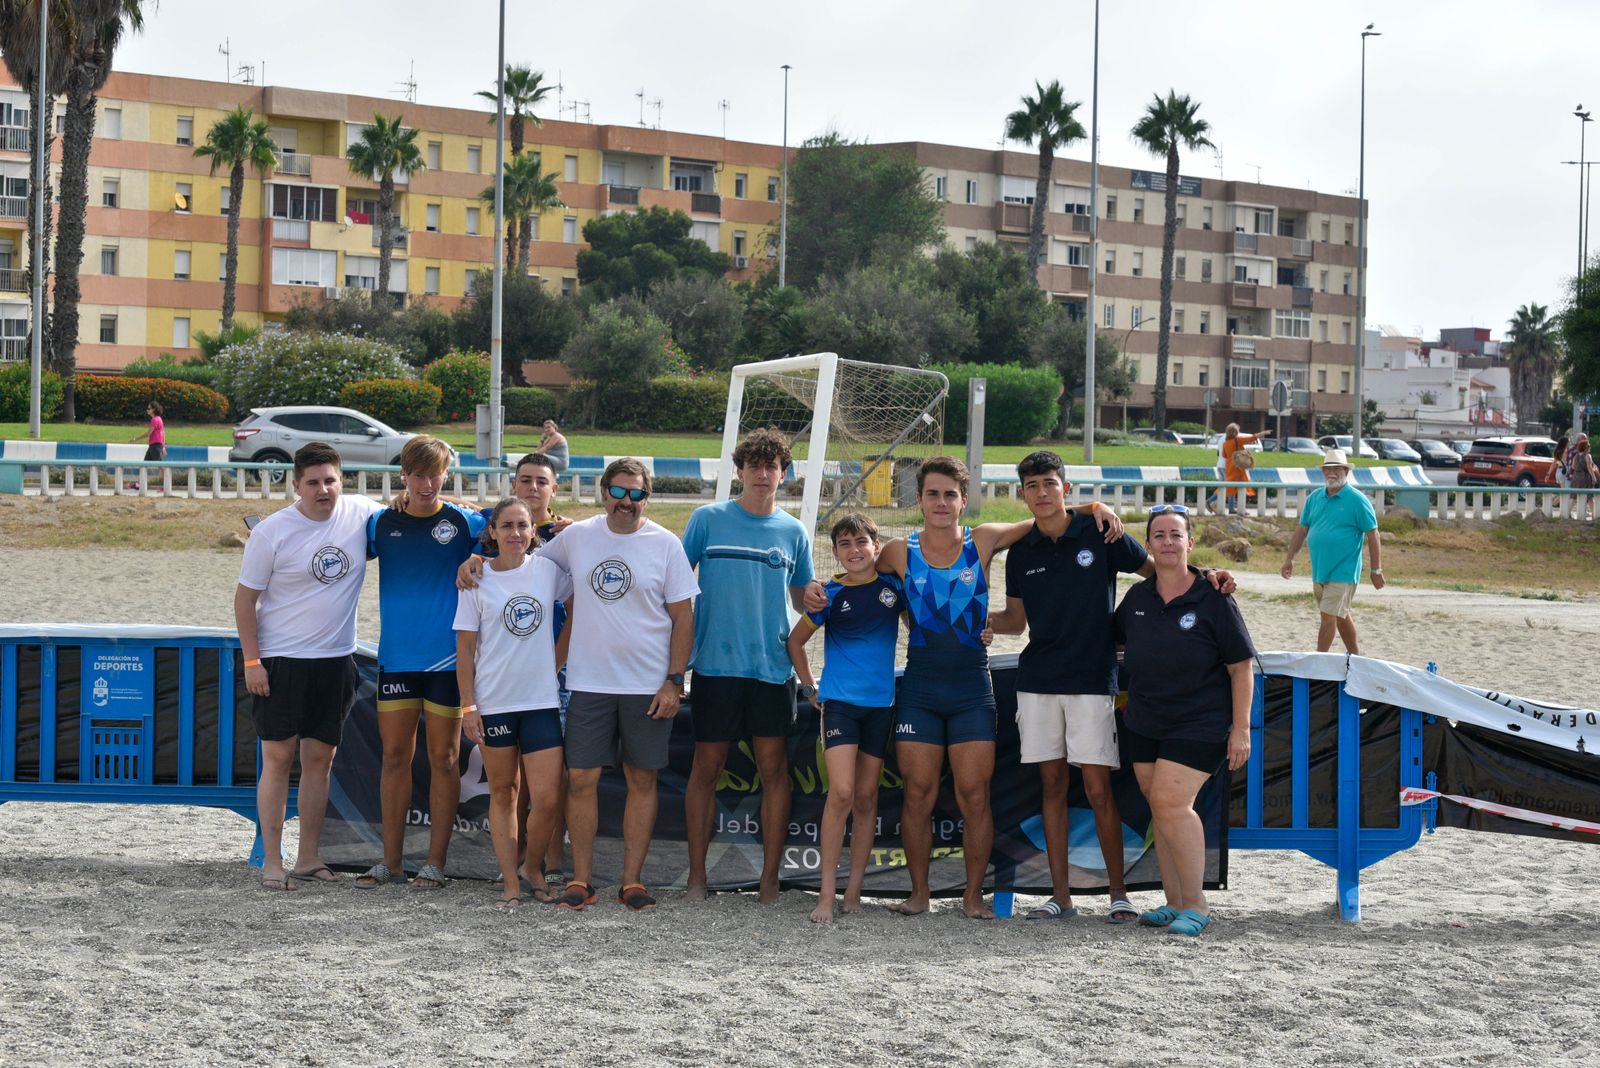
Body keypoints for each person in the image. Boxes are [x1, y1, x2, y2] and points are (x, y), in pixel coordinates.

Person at [806, 456, 1124, 919]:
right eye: (932, 494)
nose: (941, 502)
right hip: (920, 687)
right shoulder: (898, 550)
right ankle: (919, 894)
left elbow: (1044, 513)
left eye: (949, 494)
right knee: (918, 794)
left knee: (974, 795)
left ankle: (972, 896)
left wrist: (1093, 505)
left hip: (972, 687)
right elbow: (850, 575)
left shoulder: (985, 540)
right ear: (918, 500)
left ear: (963, 500)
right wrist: (813, 590)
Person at [987, 451, 1151, 923]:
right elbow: (1016, 622)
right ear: (1022, 493)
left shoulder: (1102, 533)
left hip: (1092, 680)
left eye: (1049, 483)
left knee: (1099, 790)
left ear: (1066, 488)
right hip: (1038, 681)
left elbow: (1158, 576)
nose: (1041, 492)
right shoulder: (1020, 553)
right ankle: (1061, 897)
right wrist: (980, 619)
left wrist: (1206, 582)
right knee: (1052, 789)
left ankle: (1119, 894)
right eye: (1032, 485)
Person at [530, 458, 698, 911]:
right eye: (618, 492)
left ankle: (632, 882)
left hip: (648, 684)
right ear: (603, 492)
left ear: (648, 496)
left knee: (641, 779)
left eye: (636, 493)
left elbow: (684, 618)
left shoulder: (665, 544)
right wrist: (476, 562)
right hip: (588, 682)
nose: (626, 502)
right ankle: (581, 880)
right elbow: (526, 570)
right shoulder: (578, 537)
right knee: (581, 778)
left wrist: (674, 681)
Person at [234, 441, 384, 891]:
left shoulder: (360, 512)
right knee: (278, 759)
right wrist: (253, 661)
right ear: (296, 485)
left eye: (331, 480)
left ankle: (309, 857)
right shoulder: (273, 531)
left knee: (320, 761)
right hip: (280, 661)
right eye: (314, 482)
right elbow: (245, 601)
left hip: (336, 660)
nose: (323, 490)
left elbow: (414, 507)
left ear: (342, 481)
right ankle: (273, 861)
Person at [681, 429, 814, 903]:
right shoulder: (707, 520)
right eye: (753, 465)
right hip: (715, 667)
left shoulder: (793, 531)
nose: (762, 474)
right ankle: (697, 877)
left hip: (771, 669)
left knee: (774, 772)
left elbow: (804, 599)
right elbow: (674, 586)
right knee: (706, 769)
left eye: (771, 466)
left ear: (784, 473)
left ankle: (770, 878)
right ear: (738, 472)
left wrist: (837, 597)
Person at [1114, 504, 1255, 936]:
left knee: (1173, 804)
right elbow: (1112, 642)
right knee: (1160, 807)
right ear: (1149, 545)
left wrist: (1242, 729)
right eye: (1159, 535)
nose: (1168, 543)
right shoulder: (1137, 598)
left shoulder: (1214, 596)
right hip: (1144, 722)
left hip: (1199, 724)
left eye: (1176, 535)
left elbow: (1241, 667)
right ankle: (1175, 902)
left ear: (1189, 543)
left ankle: (1197, 904)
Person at [356, 436, 486, 891]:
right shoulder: (379, 523)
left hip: (448, 664)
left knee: (445, 760)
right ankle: (389, 862)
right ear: (403, 476)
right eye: (418, 475)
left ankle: (434, 863)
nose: (427, 484)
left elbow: (521, 524)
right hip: (397, 660)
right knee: (395, 758)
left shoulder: (466, 522)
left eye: (436, 475)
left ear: (446, 474)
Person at [454, 497, 573, 911]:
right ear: (493, 532)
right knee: (503, 793)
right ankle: (510, 881)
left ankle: (533, 867)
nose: (516, 533)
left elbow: (578, 607)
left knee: (547, 799)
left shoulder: (547, 572)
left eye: (523, 526)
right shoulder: (477, 578)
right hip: (494, 702)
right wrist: (469, 707)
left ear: (532, 531)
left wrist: (556, 659)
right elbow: (465, 650)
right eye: (507, 525)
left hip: (540, 701)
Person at [786, 513, 903, 923]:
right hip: (839, 706)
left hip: (881, 706)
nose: (855, 551)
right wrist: (809, 687)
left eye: (861, 543)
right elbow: (796, 643)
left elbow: (920, 627)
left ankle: (854, 890)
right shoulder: (828, 594)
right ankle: (825, 894)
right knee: (842, 793)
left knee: (868, 798)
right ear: (835, 552)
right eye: (845, 545)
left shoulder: (893, 589)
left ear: (876, 546)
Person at [1279, 448, 1384, 653]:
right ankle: (1356, 657)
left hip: (1344, 571)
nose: (1332, 473)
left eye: (1337, 469)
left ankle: (1318, 662)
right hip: (1320, 570)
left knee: (1327, 617)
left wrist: (1376, 569)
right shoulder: (1315, 498)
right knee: (1340, 616)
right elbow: (1302, 529)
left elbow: (1373, 534)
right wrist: (1289, 558)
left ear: (1346, 471)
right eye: (1328, 469)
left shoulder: (1357, 500)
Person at [1220, 423, 1270, 513]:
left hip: (1229, 468)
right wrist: (1263, 433)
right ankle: (1239, 508)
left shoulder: (1225, 443)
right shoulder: (1237, 440)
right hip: (1238, 468)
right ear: (1235, 432)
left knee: (1231, 488)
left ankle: (1232, 508)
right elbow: (1251, 438)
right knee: (1241, 487)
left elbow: (1224, 455)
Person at [1566, 434, 1597, 521]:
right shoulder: (1588, 456)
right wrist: (1594, 477)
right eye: (1588, 446)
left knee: (1573, 497)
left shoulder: (1576, 456)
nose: (1589, 448)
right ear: (1585, 447)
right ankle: (1595, 515)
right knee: (1590, 497)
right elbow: (1589, 468)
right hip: (1585, 478)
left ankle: (1567, 513)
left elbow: (1573, 467)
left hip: (1576, 477)